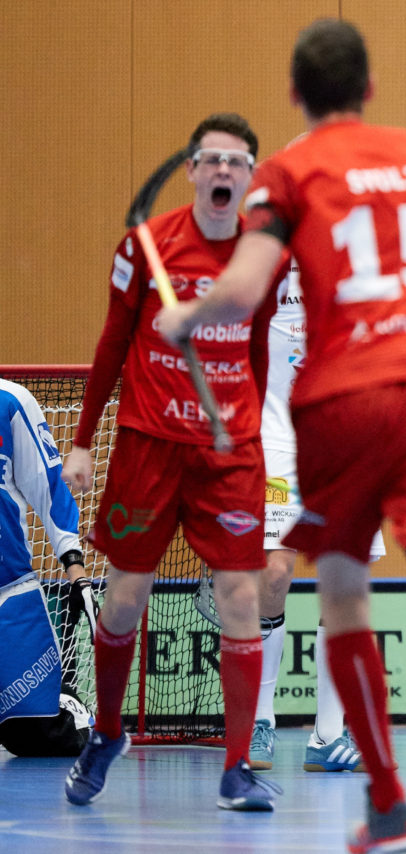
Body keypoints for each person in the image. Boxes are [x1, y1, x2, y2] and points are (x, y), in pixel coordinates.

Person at [156, 20, 406, 854]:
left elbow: (240, 289)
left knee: (342, 590)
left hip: (344, 404)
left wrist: (185, 315)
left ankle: (389, 802)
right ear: (370, 88)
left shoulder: (288, 178)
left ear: (296, 93)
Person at [62, 112, 289, 811]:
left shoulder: (265, 256)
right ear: (192, 171)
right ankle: (106, 733)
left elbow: (257, 346)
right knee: (126, 596)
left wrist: (247, 430)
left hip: (228, 451)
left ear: (250, 179)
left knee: (242, 594)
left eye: (237, 162)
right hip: (149, 443)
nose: (223, 170)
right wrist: (81, 441)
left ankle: (237, 767)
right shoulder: (146, 247)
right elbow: (112, 341)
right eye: (211, 159)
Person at [250, 262, 406, 774]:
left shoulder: (362, 263)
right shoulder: (266, 256)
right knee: (274, 574)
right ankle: (259, 720)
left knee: (343, 584)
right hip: (275, 436)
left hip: (346, 439)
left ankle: (328, 735)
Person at [0, 378, 93, 757]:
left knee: (39, 735)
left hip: (7, 589)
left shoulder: (10, 400)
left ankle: (66, 701)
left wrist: (75, 568)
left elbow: (49, 488)